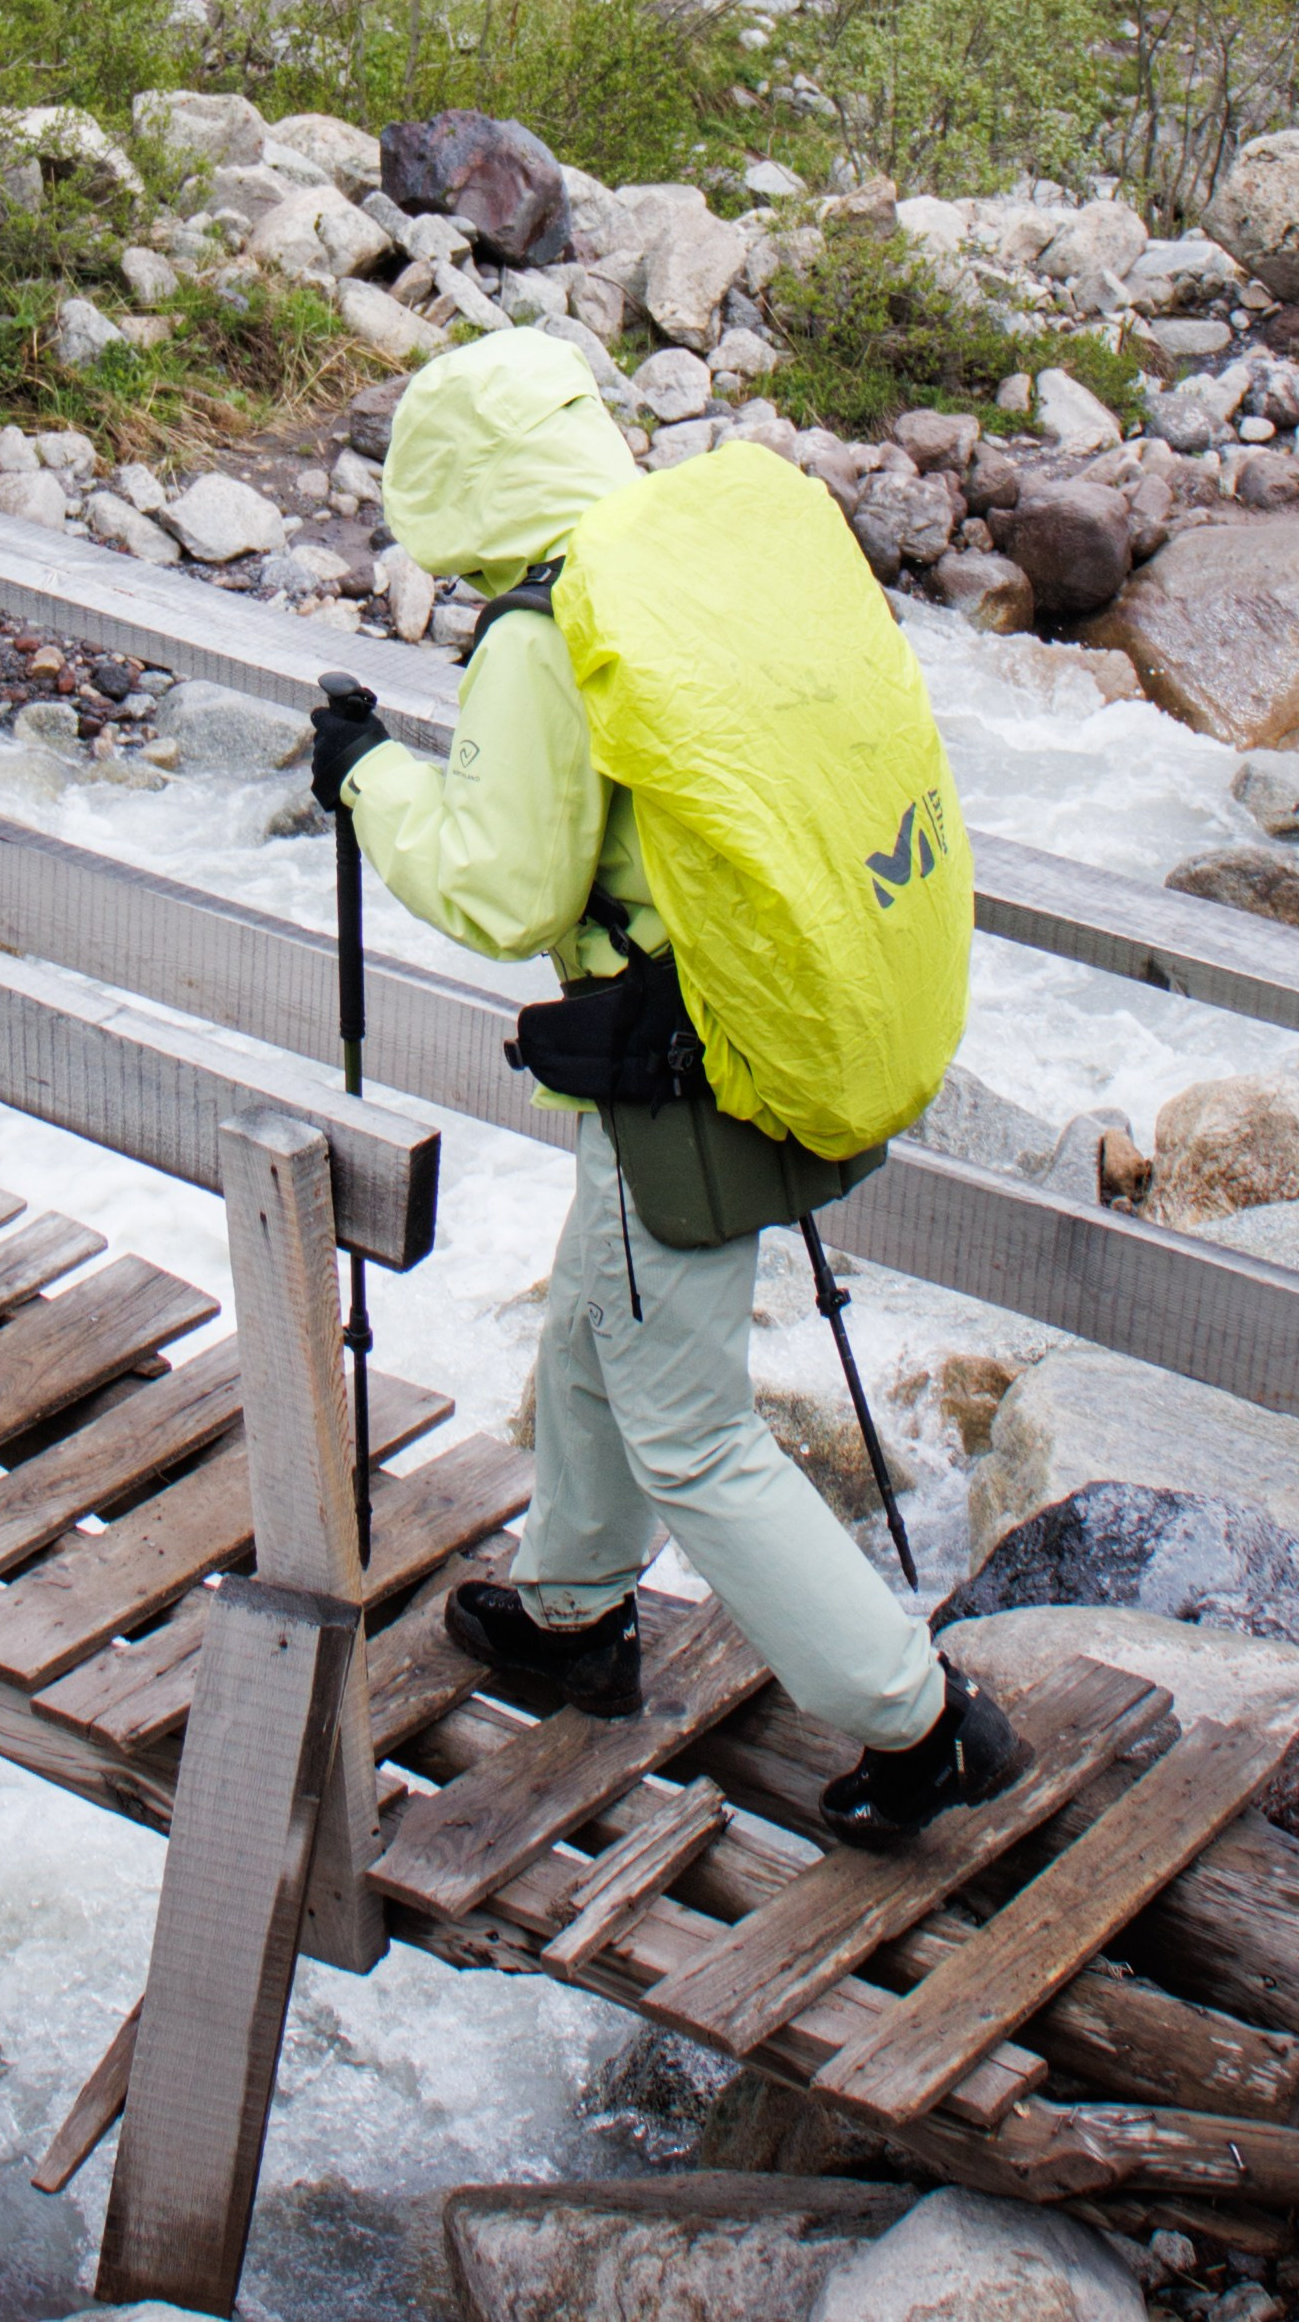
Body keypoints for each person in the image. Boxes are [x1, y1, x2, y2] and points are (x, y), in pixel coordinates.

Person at [308, 325, 1025, 1846]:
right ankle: (574, 1615)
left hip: (671, 1078)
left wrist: (370, 776)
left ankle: (922, 1719)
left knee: (689, 1428)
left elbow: (506, 888)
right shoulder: (679, 555)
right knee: (595, 1312)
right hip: (756, 1021)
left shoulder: (543, 624)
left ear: (454, 487)